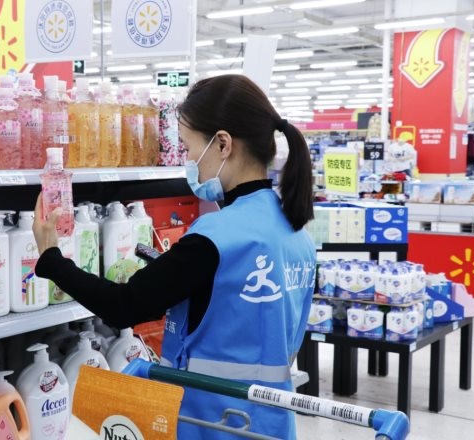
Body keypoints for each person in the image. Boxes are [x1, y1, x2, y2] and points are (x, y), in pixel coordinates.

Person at [33, 74, 316, 440]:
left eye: (188, 147)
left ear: (223, 144)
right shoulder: (296, 232)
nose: (188, 160)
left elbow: (123, 306)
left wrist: (52, 258)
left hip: (214, 422)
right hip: (272, 423)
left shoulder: (215, 238)